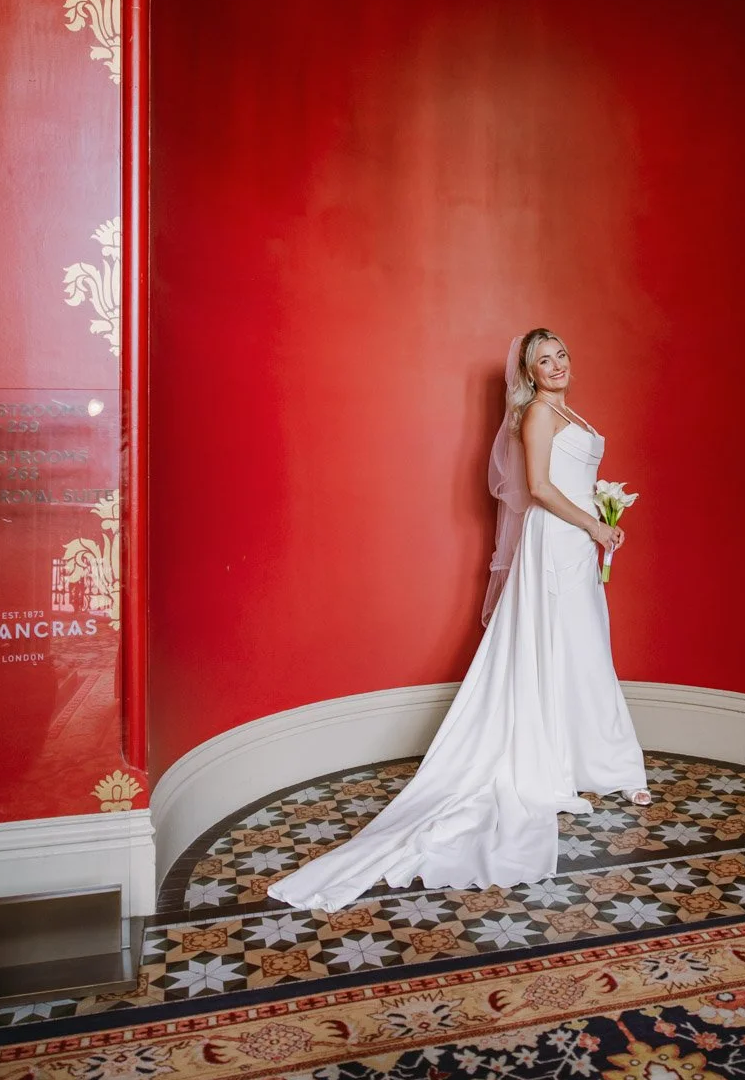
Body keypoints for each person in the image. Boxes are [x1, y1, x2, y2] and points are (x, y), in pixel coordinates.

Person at [268, 328, 650, 913]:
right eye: (542, 361)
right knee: (568, 646)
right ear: (527, 373)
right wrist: (594, 524)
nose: (556, 365)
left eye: (561, 355)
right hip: (556, 543)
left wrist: (603, 515)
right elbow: (542, 488)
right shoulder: (536, 418)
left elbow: (569, 482)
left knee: (584, 646)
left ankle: (597, 759)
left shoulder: (567, 411)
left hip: (577, 542)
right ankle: (596, 762)